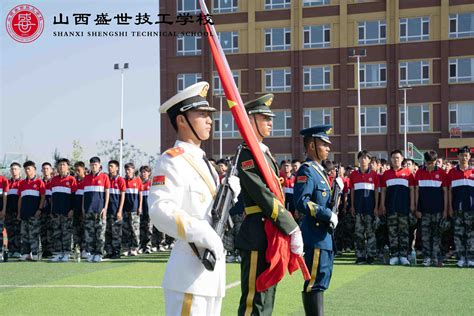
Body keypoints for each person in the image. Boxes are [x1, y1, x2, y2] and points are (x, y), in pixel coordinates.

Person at [149, 81, 240, 315]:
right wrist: (201, 232)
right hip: (188, 276)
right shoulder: (171, 160)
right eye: (202, 115)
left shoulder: (205, 164)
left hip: (211, 276)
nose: (210, 120)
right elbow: (160, 210)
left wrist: (231, 195)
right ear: (182, 120)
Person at [235, 94, 302, 316]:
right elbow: (263, 195)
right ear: (251, 120)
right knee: (254, 301)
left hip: (269, 233)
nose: (271, 122)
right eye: (265, 118)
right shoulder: (247, 153)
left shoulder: (264, 153)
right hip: (257, 233)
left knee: (266, 301)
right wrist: (290, 225)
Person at [293, 125, 340, 315]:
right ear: (312, 146)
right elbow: (301, 202)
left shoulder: (320, 171)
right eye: (324, 144)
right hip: (314, 236)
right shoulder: (307, 171)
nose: (328, 148)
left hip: (324, 236)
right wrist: (327, 214)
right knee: (314, 282)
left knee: (321, 281)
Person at [380, 150, 416, 266]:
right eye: (394, 158)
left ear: (402, 159)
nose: (396, 160)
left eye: (398, 158)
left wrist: (412, 205)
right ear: (391, 160)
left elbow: (412, 190)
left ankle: (403, 256)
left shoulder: (408, 173)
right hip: (391, 208)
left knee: (404, 232)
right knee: (392, 232)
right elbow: (384, 191)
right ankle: (395, 255)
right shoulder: (386, 174)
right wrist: (382, 205)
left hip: (404, 207)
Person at [414, 151, 448, 267]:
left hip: (438, 210)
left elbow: (445, 192)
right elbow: (417, 191)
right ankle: (427, 258)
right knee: (425, 235)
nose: (430, 165)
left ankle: (435, 258)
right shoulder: (419, 172)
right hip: (424, 210)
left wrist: (445, 210)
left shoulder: (442, 173)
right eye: (428, 163)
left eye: (432, 163)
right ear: (425, 162)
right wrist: (417, 208)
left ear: (436, 161)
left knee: (437, 235)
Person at [349, 150, 379, 264]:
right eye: (361, 157)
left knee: (371, 233)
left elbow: (377, 191)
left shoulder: (374, 174)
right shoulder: (353, 175)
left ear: (370, 160)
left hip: (370, 208)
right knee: (358, 233)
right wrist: (352, 206)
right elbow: (352, 191)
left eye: (366, 158)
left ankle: (371, 255)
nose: (363, 160)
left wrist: (376, 207)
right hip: (358, 208)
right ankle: (360, 256)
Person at [448, 146, 474, 267]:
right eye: (461, 155)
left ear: (469, 157)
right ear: (457, 156)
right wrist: (449, 207)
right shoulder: (452, 172)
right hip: (457, 208)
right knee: (458, 234)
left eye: (466, 155)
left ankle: (470, 258)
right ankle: (461, 258)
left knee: (471, 234)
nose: (464, 157)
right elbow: (449, 192)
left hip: (471, 209)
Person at [82, 156, 110, 263]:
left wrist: (105, 208)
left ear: (99, 165)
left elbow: (107, 193)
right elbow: (84, 195)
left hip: (100, 210)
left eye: (96, 164)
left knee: (100, 234)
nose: (94, 166)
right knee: (89, 234)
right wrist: (83, 208)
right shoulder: (86, 178)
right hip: (88, 210)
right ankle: (92, 253)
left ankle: (99, 253)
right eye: (92, 164)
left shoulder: (104, 177)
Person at [50, 158, 77, 262]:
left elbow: (74, 197)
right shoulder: (54, 180)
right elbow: (53, 197)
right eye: (60, 165)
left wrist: (72, 209)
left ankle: (66, 253)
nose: (61, 167)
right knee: (56, 233)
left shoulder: (71, 179)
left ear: (68, 167)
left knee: (66, 233)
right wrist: (52, 210)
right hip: (56, 211)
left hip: (67, 212)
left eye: (64, 165)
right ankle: (58, 253)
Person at [18, 161, 45, 261]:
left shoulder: (39, 182)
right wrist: (19, 212)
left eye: (29, 168)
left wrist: (39, 209)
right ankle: (25, 253)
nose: (27, 170)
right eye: (25, 169)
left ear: (34, 169)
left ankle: (35, 253)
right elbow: (20, 199)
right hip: (24, 213)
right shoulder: (22, 183)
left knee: (34, 234)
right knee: (24, 234)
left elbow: (43, 197)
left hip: (34, 213)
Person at [105, 160, 125, 259]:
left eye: (112, 166)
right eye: (109, 166)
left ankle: (116, 252)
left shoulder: (120, 180)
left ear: (117, 168)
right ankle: (109, 251)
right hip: (107, 211)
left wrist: (120, 210)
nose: (110, 168)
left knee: (116, 232)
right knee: (107, 232)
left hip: (116, 210)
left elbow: (123, 196)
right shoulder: (106, 179)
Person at [122, 162, 142, 256]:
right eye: (126, 169)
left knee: (135, 229)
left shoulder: (138, 180)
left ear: (133, 170)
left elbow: (140, 194)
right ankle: (126, 248)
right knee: (126, 229)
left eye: (129, 169)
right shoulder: (123, 180)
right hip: (125, 209)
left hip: (134, 209)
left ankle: (135, 247)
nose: (127, 171)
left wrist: (140, 206)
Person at [6, 162, 22, 258]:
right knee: (9, 232)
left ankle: (18, 250)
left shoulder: (22, 182)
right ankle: (11, 250)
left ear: (19, 170)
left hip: (18, 212)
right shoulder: (7, 182)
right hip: (8, 212)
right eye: (12, 169)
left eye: (15, 169)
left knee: (18, 232)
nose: (13, 171)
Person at [73, 161, 87, 258]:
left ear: (84, 170)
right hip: (75, 211)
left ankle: (85, 250)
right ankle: (77, 250)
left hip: (84, 211)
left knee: (85, 231)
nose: (77, 172)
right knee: (76, 231)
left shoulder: (87, 180)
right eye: (76, 170)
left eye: (79, 170)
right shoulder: (73, 181)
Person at [40, 162, 54, 258]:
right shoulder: (39, 182)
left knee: (51, 231)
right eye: (44, 169)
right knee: (43, 231)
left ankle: (51, 250)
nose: (45, 170)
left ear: (51, 170)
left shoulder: (54, 181)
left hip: (51, 211)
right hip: (42, 211)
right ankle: (44, 250)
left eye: (47, 168)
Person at [0, 173, 9, 261]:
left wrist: (3, 210)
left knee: (0, 232)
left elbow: (5, 197)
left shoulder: (3, 180)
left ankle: (0, 252)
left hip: (0, 211)